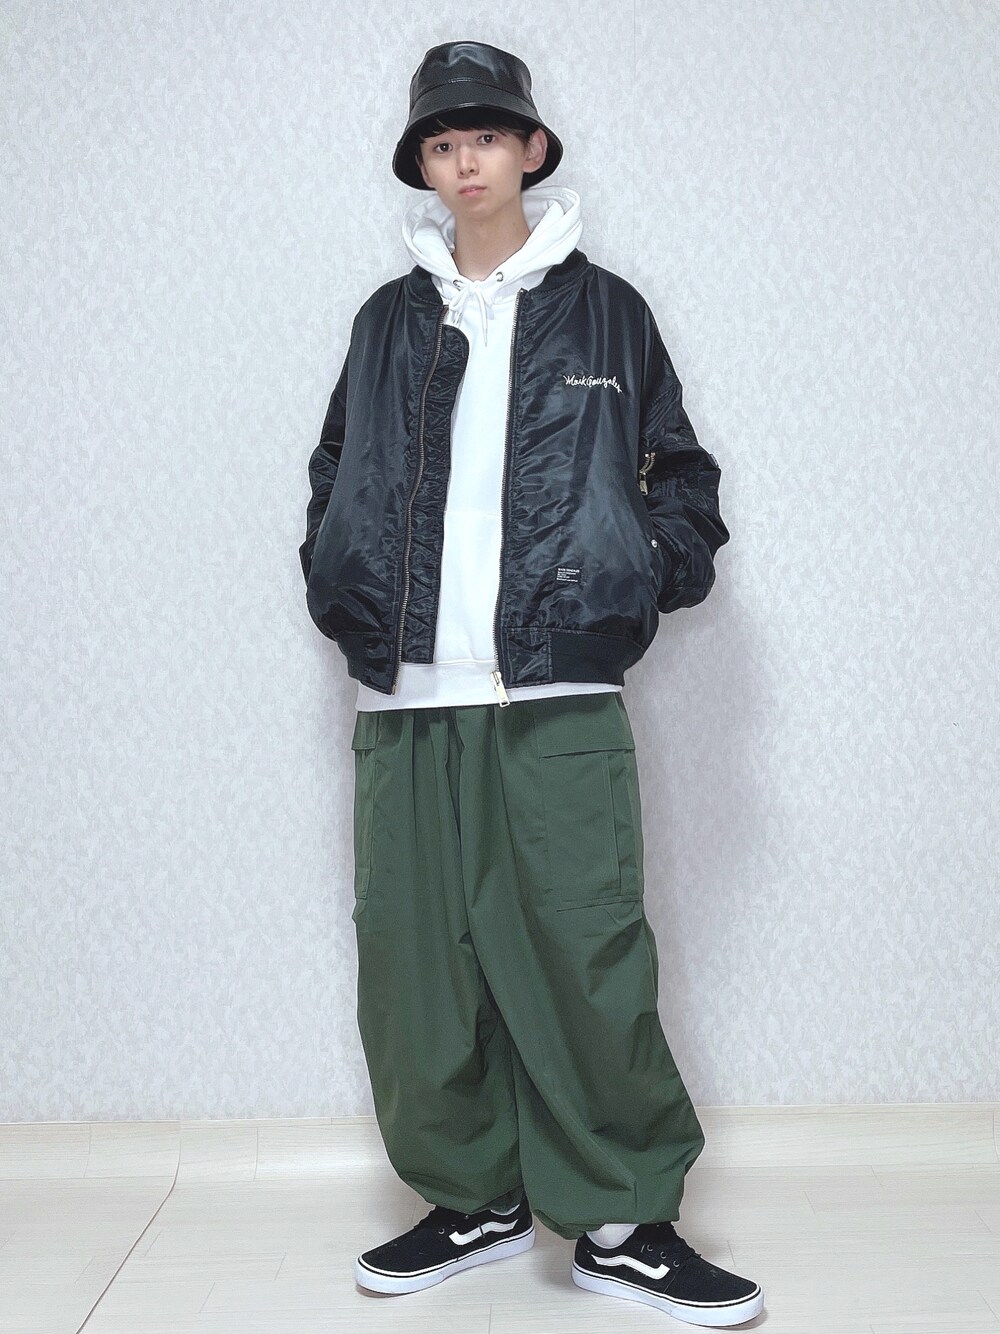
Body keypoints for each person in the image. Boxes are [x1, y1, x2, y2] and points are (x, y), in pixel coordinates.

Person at [299, 40, 764, 1328]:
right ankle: (474, 1198)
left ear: (531, 149)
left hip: (556, 693)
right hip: (405, 699)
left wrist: (637, 574)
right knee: (416, 967)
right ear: (425, 166)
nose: (468, 162)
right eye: (444, 144)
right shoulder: (387, 319)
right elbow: (335, 472)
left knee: (581, 949)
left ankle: (623, 1222)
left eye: (488, 137)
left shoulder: (608, 311)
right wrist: (338, 577)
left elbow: (681, 479)